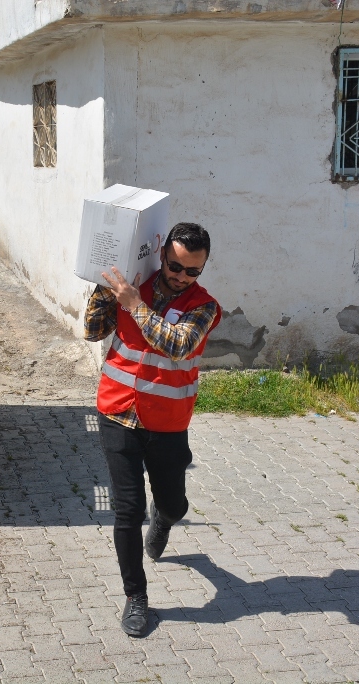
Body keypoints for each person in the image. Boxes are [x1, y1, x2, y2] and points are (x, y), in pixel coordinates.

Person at [84, 222, 222, 638]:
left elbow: (177, 345)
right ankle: (135, 596)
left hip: (166, 423)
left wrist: (133, 304)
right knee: (127, 510)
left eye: (191, 271)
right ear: (162, 255)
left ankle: (165, 518)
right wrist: (105, 291)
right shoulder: (134, 287)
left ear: (202, 269)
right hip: (118, 413)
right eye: (175, 265)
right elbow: (93, 331)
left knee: (173, 504)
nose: (181, 276)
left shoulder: (206, 307)